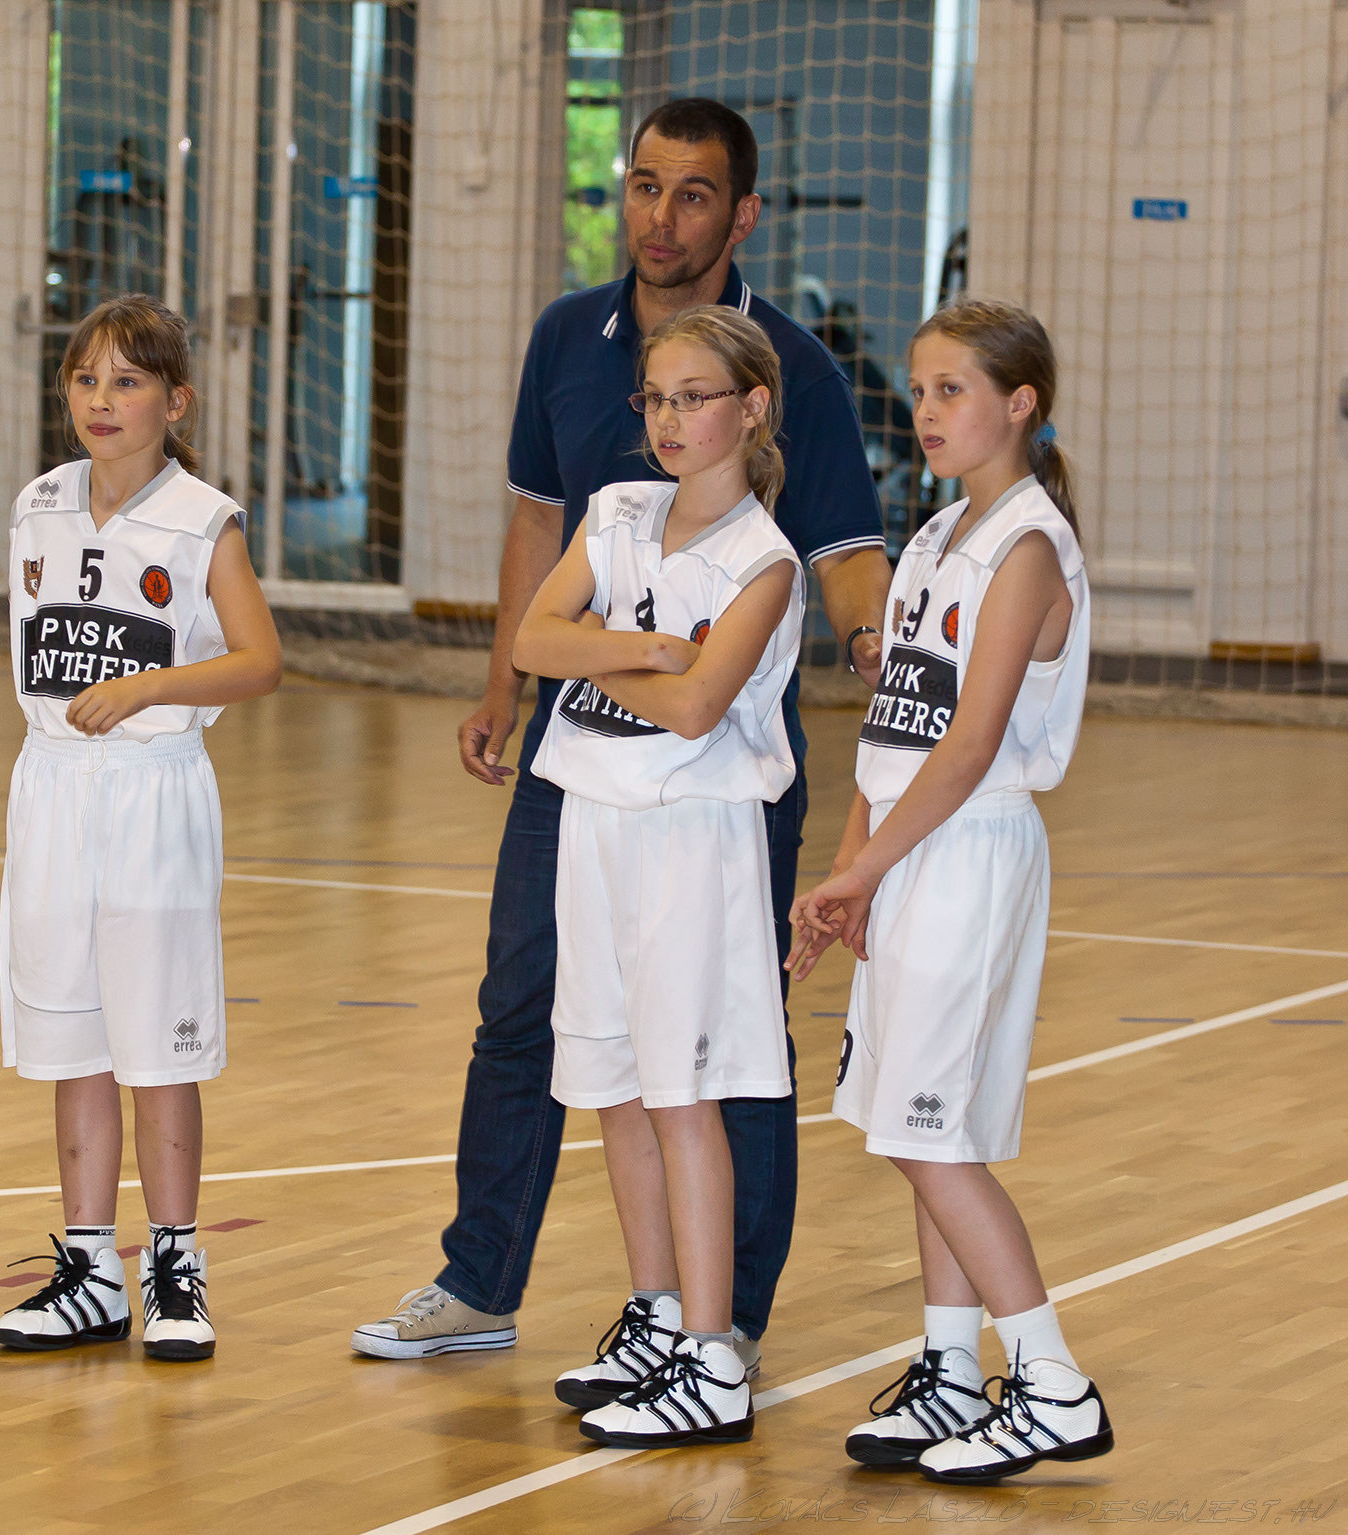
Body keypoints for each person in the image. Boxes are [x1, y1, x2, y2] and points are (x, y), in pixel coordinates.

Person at [352, 97, 891, 1369]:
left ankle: (721, 1316)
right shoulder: (565, 336)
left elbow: (843, 552)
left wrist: (879, 647)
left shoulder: (791, 370)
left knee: (722, 1042)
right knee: (522, 1006)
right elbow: (538, 526)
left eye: (691, 193)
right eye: (643, 185)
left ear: (739, 215)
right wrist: (505, 686)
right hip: (579, 761)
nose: (660, 215)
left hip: (714, 787)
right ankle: (480, 1281)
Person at [789, 298, 1113, 1483]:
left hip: (967, 850)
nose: (923, 410)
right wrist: (850, 868)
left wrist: (868, 866)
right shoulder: (929, 538)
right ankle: (945, 1370)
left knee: (930, 1137)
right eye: (918, 389)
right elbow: (892, 729)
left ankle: (1051, 1381)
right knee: (906, 1123)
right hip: (904, 847)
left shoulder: (1025, 545)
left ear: (1017, 404)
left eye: (950, 390)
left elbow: (970, 744)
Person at [514, 307, 803, 1448]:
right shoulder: (618, 511)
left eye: (694, 397)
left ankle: (712, 1353)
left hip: (692, 837)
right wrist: (641, 645)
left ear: (752, 407)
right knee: (616, 1083)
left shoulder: (762, 562)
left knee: (684, 1096)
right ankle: (656, 1314)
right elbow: (534, 641)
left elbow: (696, 709)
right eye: (655, 398)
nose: (669, 420)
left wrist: (602, 653)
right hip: (596, 820)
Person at [0, 295, 281, 1362]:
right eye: (84, 378)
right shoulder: (37, 505)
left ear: (175, 401)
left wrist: (149, 684)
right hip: (51, 789)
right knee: (73, 1039)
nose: (101, 400)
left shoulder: (203, 520)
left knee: (156, 1045)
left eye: (126, 380)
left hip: (153, 790)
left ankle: (173, 1260)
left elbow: (259, 660)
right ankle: (86, 1266)